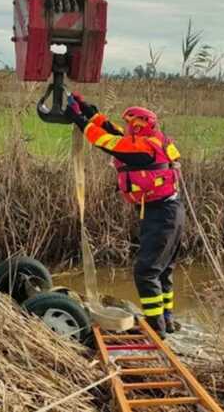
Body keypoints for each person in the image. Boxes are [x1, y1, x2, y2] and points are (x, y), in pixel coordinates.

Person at [64, 93, 185, 338]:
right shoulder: (153, 141)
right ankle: (166, 321)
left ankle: (155, 328)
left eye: (132, 124)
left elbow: (107, 142)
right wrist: (90, 112)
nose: (129, 127)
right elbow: (115, 133)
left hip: (162, 214)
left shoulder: (142, 147)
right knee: (162, 270)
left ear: (139, 125)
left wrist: (77, 119)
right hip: (171, 211)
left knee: (146, 271)